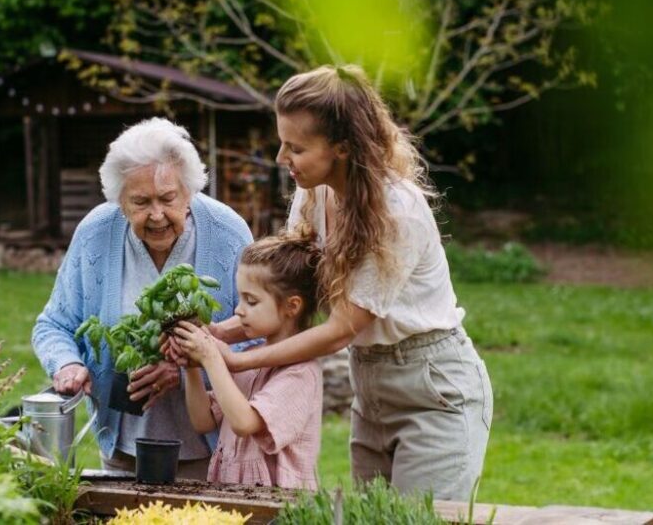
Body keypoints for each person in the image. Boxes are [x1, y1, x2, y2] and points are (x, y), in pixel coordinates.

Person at [205, 65, 493, 500]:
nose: (282, 158)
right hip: (370, 382)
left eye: (296, 148)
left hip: (433, 389)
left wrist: (235, 360)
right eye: (282, 142)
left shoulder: (395, 211)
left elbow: (341, 328)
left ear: (342, 148)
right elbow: (292, 297)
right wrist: (212, 335)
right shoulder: (315, 192)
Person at [31, 117, 253, 478]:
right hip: (122, 451)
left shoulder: (228, 233)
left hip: (213, 455)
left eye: (168, 198)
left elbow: (257, 340)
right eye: (140, 202)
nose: (156, 215)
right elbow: (54, 324)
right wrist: (67, 364)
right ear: (119, 201)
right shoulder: (95, 233)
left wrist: (187, 370)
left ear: (190, 191)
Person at [173, 228, 324, 490]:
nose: (238, 310)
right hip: (236, 498)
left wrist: (211, 358)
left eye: (251, 301)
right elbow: (203, 421)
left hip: (278, 509)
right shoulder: (249, 359)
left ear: (292, 306)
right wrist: (192, 367)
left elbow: (245, 422)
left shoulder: (301, 374)